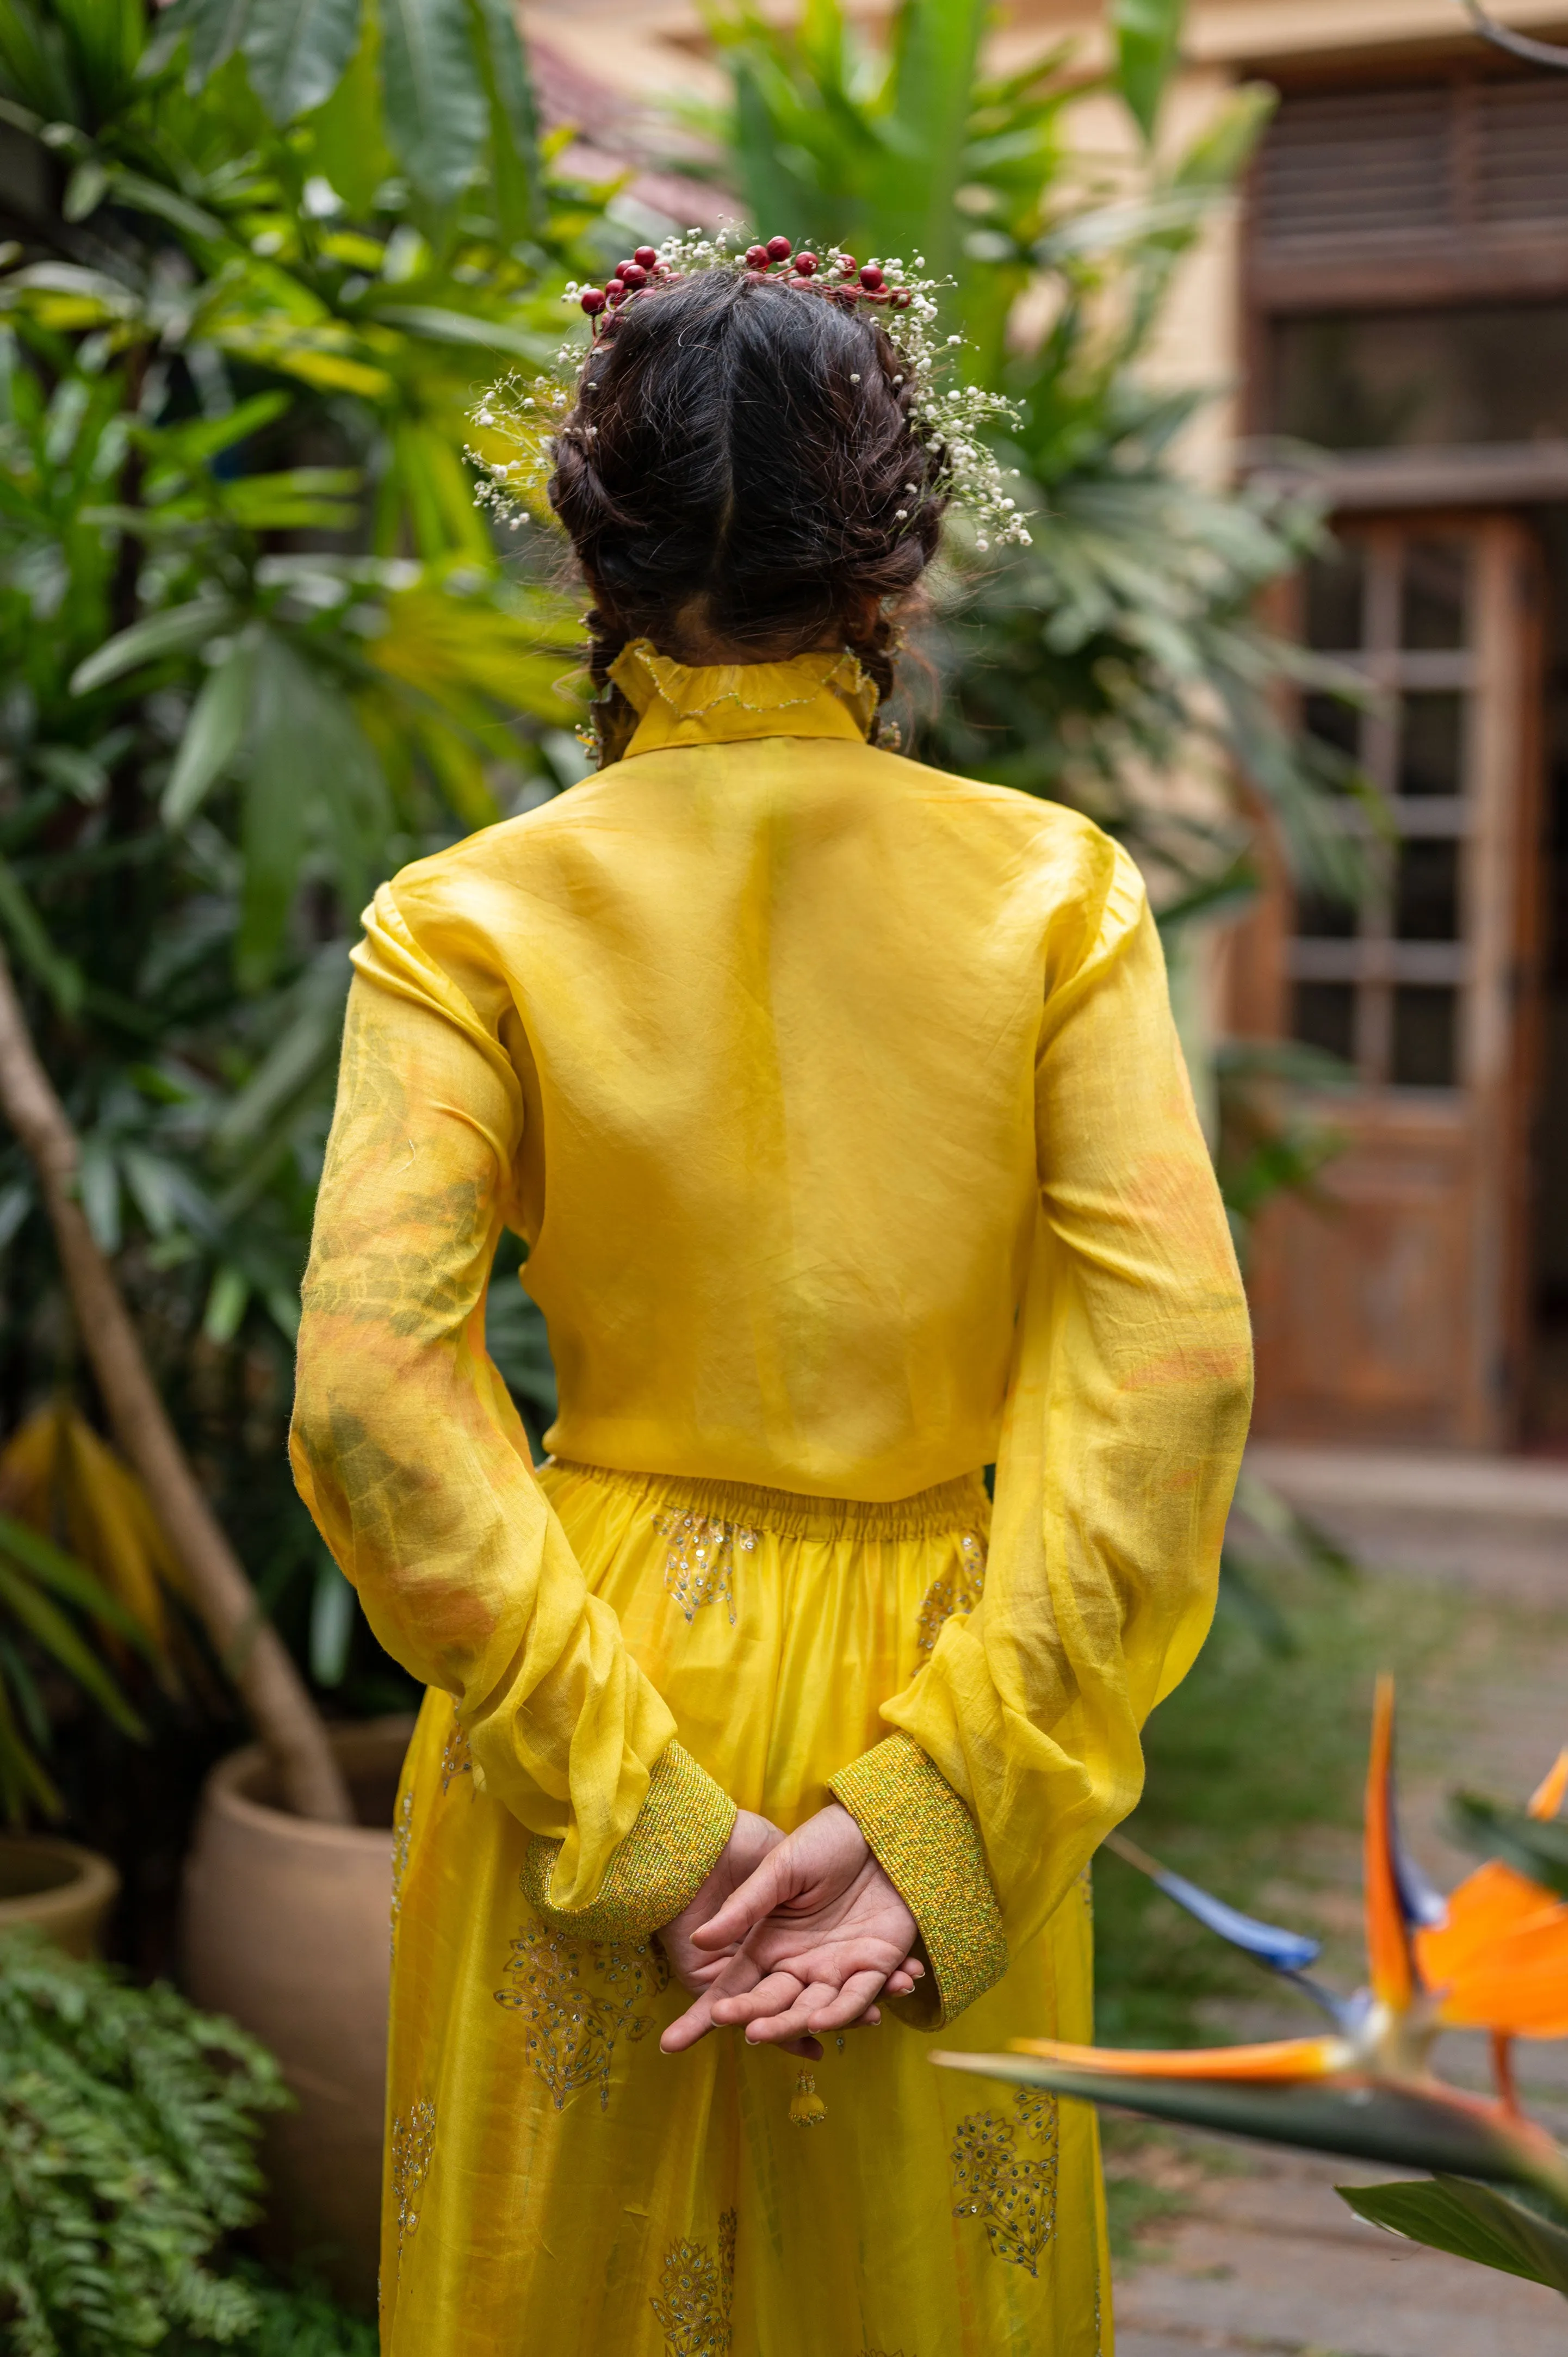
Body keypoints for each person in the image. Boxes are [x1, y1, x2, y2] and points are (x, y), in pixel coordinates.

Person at [290, 240, 1253, 2357]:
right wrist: (940, 1814)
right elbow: (1166, 1383)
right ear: (893, 552)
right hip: (952, 1659)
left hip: (589, 1680)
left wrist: (633, 1803)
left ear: (590, 542)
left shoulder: (465, 921)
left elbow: (375, 1401)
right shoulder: (1056, 893)